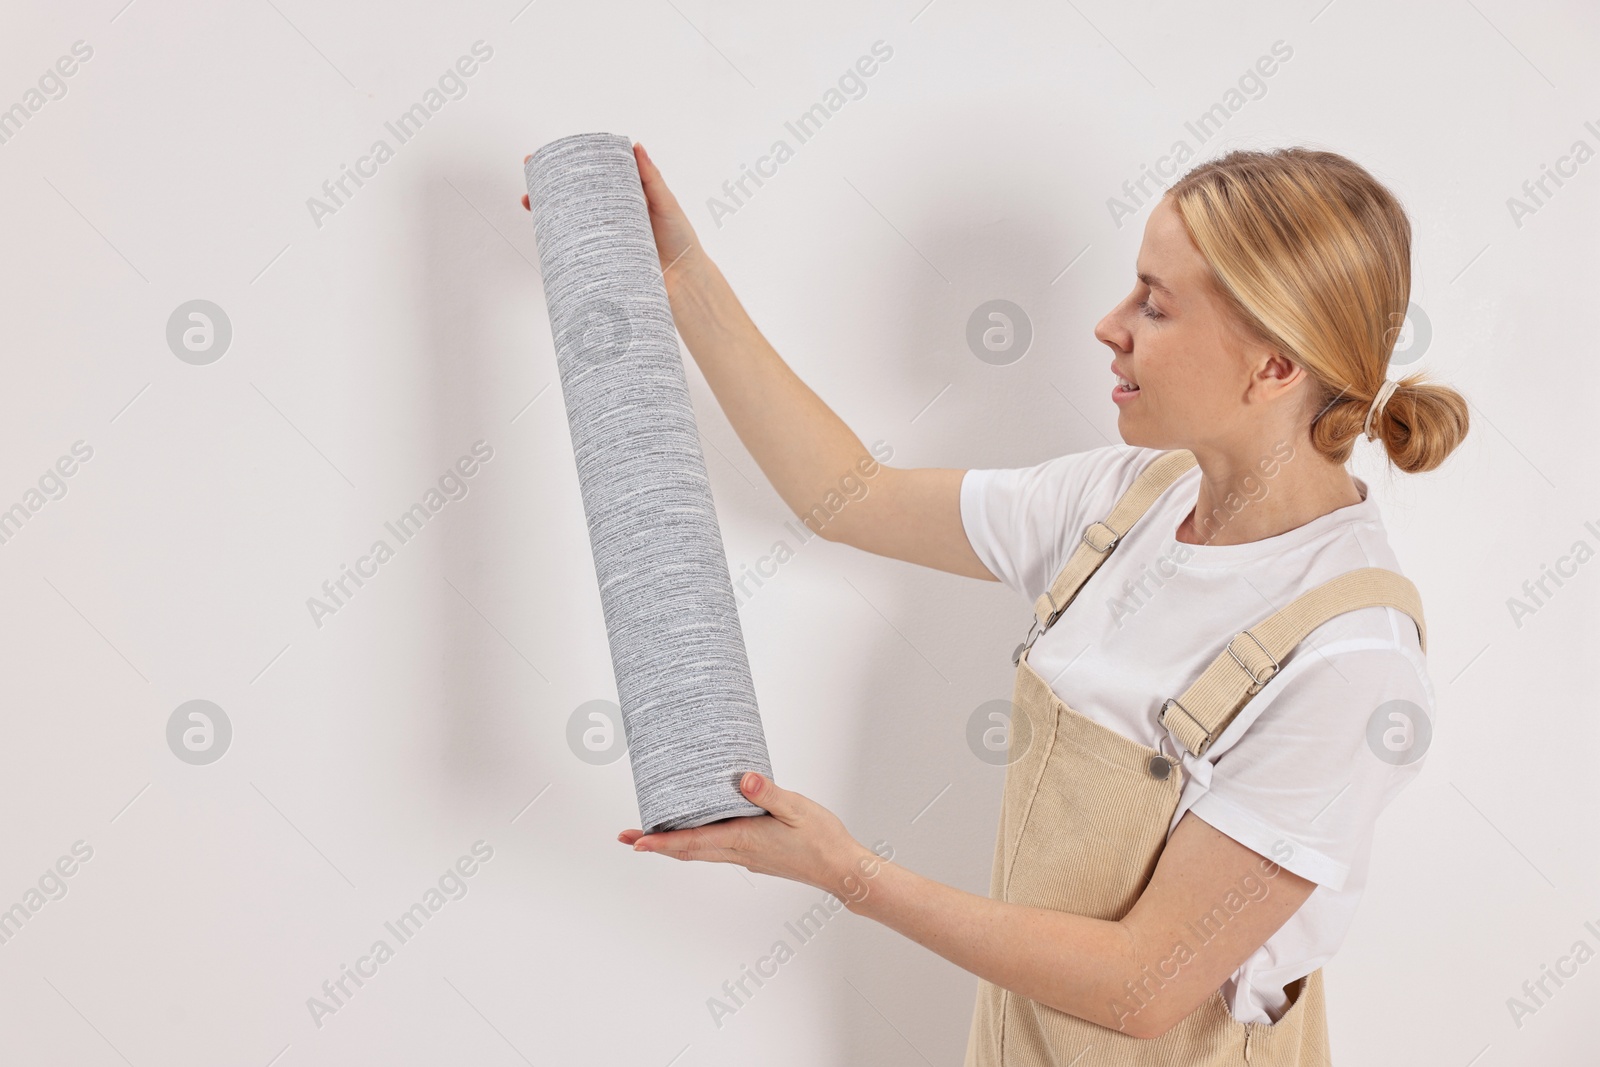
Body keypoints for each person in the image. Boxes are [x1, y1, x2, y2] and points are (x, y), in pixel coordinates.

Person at [523, 144, 1469, 1062]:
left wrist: (846, 874)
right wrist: (682, 274)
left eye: (1156, 302)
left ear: (1273, 366)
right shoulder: (1122, 504)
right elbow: (846, 496)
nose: (1110, 324)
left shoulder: (1350, 658)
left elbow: (1144, 985)